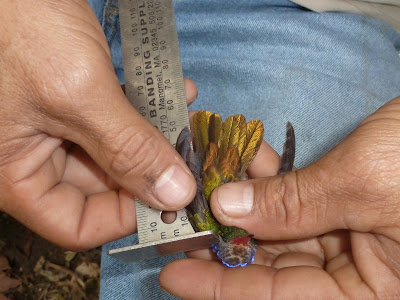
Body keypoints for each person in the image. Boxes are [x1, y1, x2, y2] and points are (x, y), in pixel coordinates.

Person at [0, 0, 399, 299]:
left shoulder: (217, 228)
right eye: (238, 248)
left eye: (234, 250)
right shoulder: (218, 223)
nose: (237, 247)